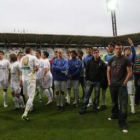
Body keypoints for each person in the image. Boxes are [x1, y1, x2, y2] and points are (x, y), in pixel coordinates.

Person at [107, 43, 132, 133]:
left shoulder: (126, 60)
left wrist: (124, 83)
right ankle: (115, 114)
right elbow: (108, 71)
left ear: (122, 50)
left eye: (120, 49)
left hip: (122, 85)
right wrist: (109, 82)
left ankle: (123, 122)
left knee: (123, 104)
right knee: (114, 102)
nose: (118, 50)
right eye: (116, 49)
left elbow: (129, 73)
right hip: (113, 85)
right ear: (114, 50)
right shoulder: (111, 59)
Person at [77, 48, 106, 114]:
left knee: (96, 96)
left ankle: (95, 108)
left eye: (97, 52)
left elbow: (104, 73)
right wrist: (87, 79)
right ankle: (83, 109)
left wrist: (101, 81)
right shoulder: (89, 61)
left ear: (99, 53)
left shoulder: (102, 63)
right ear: (92, 54)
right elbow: (86, 70)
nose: (96, 54)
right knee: (86, 96)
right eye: (94, 53)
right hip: (89, 81)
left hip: (97, 82)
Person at [21, 47, 38, 121]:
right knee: (31, 97)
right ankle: (25, 114)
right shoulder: (33, 57)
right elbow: (36, 68)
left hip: (24, 79)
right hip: (31, 79)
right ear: (30, 51)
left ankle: (30, 107)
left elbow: (21, 69)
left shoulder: (22, 58)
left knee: (28, 95)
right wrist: (34, 69)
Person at [100, 43, 115, 109]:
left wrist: (107, 63)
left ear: (113, 48)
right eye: (108, 47)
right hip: (105, 75)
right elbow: (102, 64)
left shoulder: (115, 55)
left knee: (114, 90)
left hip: (113, 75)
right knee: (103, 90)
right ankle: (104, 104)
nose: (109, 48)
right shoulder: (104, 55)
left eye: (110, 47)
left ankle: (115, 104)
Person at [123, 38, 136, 114]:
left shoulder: (131, 58)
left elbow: (134, 53)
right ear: (124, 52)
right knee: (123, 93)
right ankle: (123, 106)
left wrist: (131, 44)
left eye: (129, 50)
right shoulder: (121, 58)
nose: (128, 51)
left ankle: (132, 108)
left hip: (130, 79)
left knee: (131, 93)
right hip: (122, 79)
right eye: (126, 50)